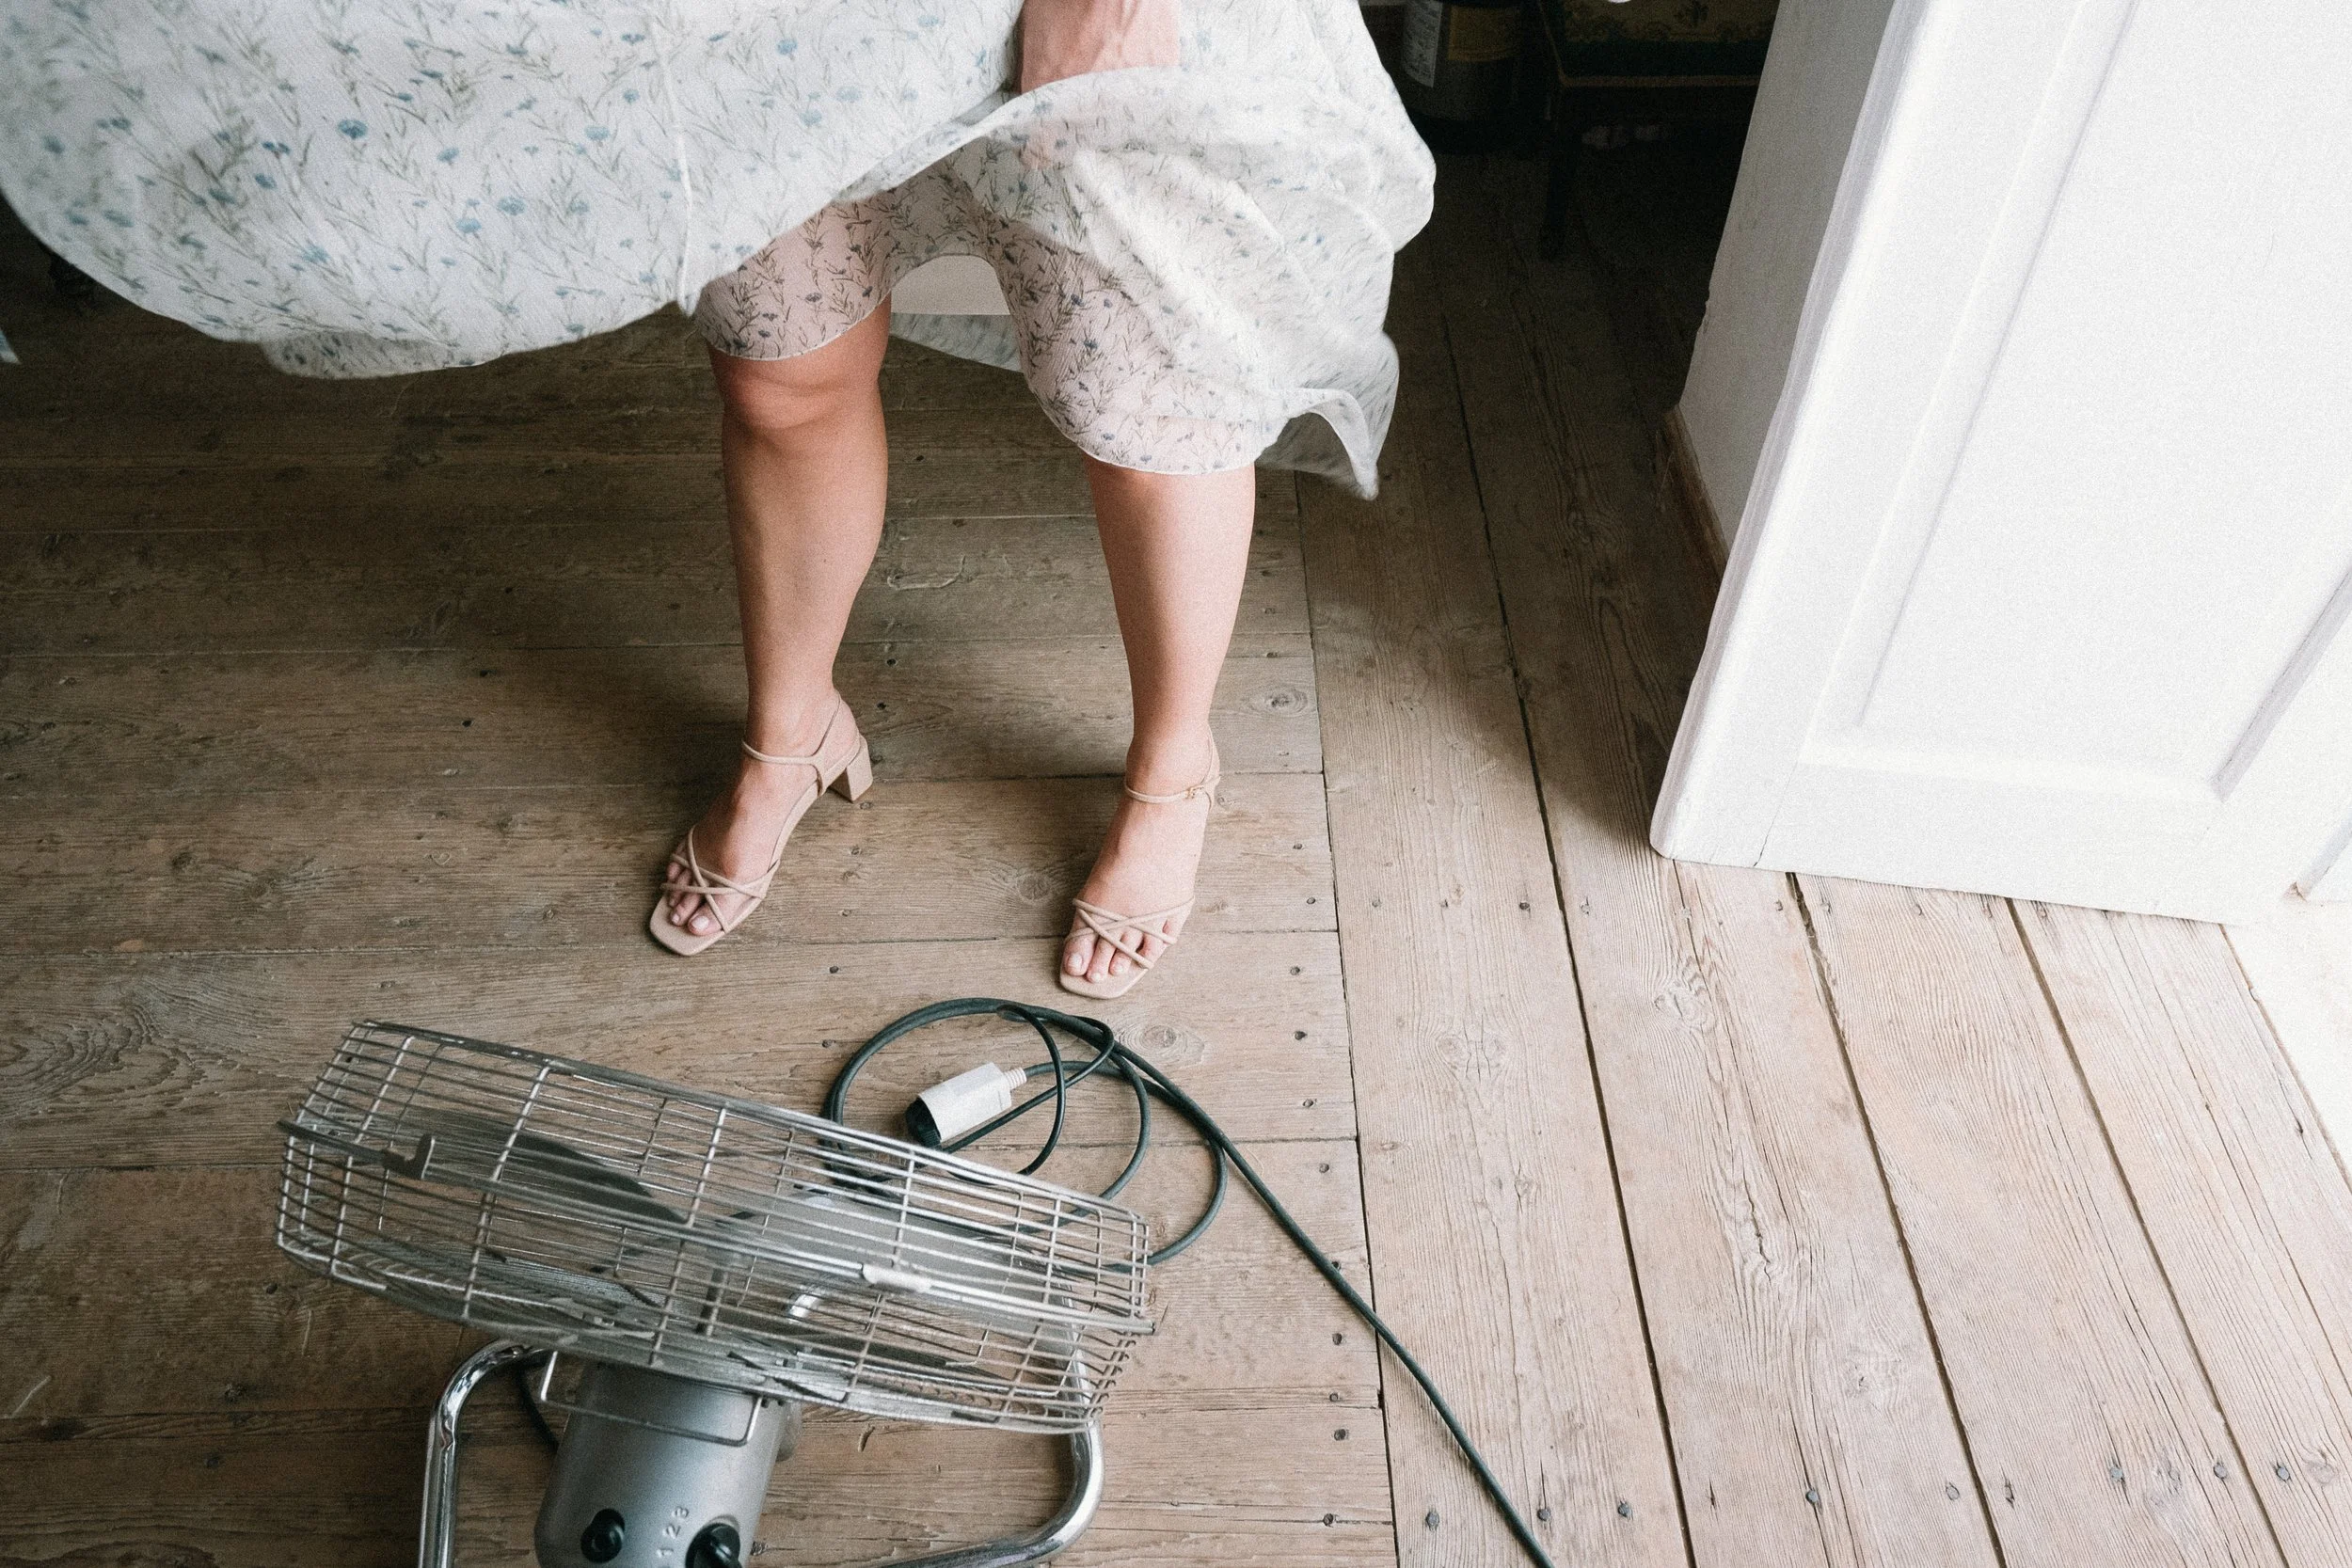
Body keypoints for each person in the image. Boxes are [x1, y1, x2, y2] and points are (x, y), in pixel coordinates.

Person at [2, 0, 1432, 996]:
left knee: (1146, 401)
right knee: (780, 368)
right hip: (765, 25)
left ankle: (1176, 766)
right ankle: (791, 731)